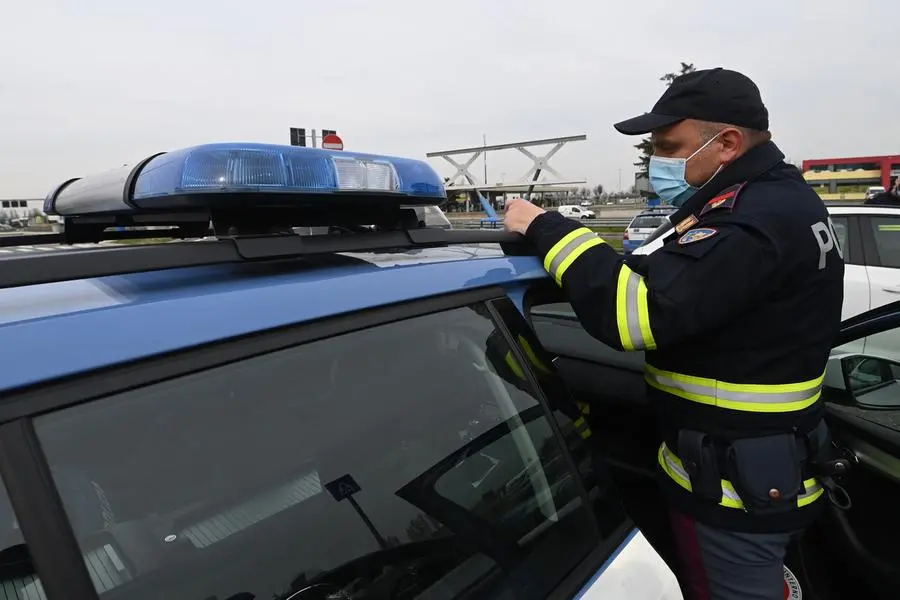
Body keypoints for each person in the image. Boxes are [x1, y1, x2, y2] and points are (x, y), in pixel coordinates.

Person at [504, 67, 845, 600]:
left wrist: (547, 228)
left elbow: (635, 314)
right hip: (763, 462)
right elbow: (678, 280)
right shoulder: (775, 198)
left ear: (727, 143)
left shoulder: (749, 219)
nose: (657, 159)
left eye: (669, 145)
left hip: (732, 487)